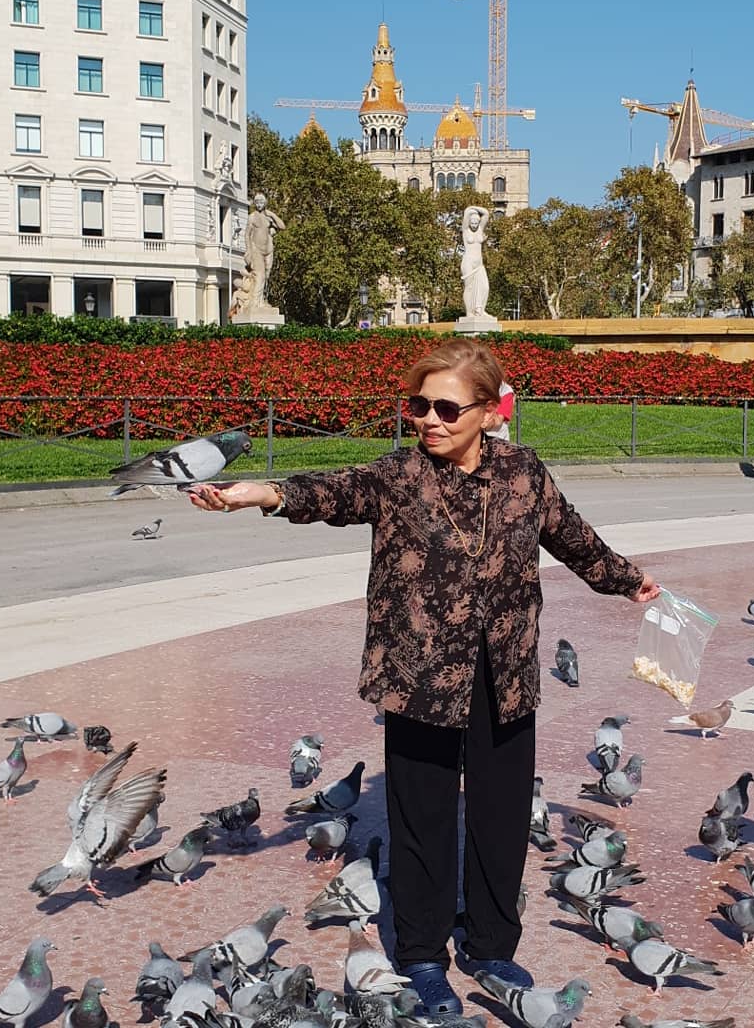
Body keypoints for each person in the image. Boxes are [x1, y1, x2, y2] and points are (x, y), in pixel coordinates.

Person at [189, 339, 660, 1017]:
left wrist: (628, 579)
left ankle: (493, 943)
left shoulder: (524, 472)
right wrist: (259, 493)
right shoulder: (400, 476)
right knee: (422, 820)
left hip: (506, 671)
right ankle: (420, 952)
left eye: (445, 407)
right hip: (418, 677)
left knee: (500, 818)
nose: (428, 420)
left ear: (490, 411)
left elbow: (573, 538)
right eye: (417, 406)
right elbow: (331, 491)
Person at [243, 192, 285, 311]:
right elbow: (247, 235)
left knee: (266, 277)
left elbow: (282, 226)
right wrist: (248, 251)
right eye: (257, 202)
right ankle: (255, 303)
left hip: (269, 250)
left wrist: (271, 214)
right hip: (257, 250)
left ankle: (262, 300)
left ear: (265, 203)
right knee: (259, 276)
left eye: (261, 202)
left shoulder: (268, 217)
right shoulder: (252, 217)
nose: (259, 204)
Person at [461, 206, 492, 319]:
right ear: (469, 222)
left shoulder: (480, 229)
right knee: (469, 287)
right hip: (468, 262)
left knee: (485, 287)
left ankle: (480, 310)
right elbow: (466, 212)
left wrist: (474, 208)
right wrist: (470, 209)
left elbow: (486, 213)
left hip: (479, 264)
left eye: (476, 223)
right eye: (472, 223)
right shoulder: (465, 230)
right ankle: (469, 312)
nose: (474, 225)